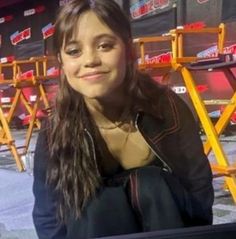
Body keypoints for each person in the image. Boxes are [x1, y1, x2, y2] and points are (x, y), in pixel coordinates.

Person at [32, 0, 214, 238]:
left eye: (105, 46)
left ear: (129, 51)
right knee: (97, 202)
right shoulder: (55, 129)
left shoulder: (166, 106)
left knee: (150, 183)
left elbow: (198, 187)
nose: (90, 60)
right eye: (74, 51)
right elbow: (49, 216)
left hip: (166, 225)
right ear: (63, 63)